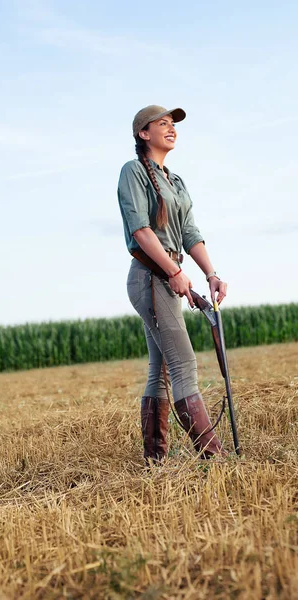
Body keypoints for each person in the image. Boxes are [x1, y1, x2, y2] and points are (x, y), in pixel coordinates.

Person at [117, 104, 228, 463]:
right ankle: (214, 458)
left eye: (173, 124)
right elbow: (141, 230)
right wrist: (174, 272)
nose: (171, 128)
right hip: (150, 276)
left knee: (161, 369)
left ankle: (155, 460)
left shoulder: (175, 181)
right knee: (184, 365)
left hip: (167, 277)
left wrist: (211, 274)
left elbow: (191, 233)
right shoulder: (133, 171)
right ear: (143, 134)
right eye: (161, 123)